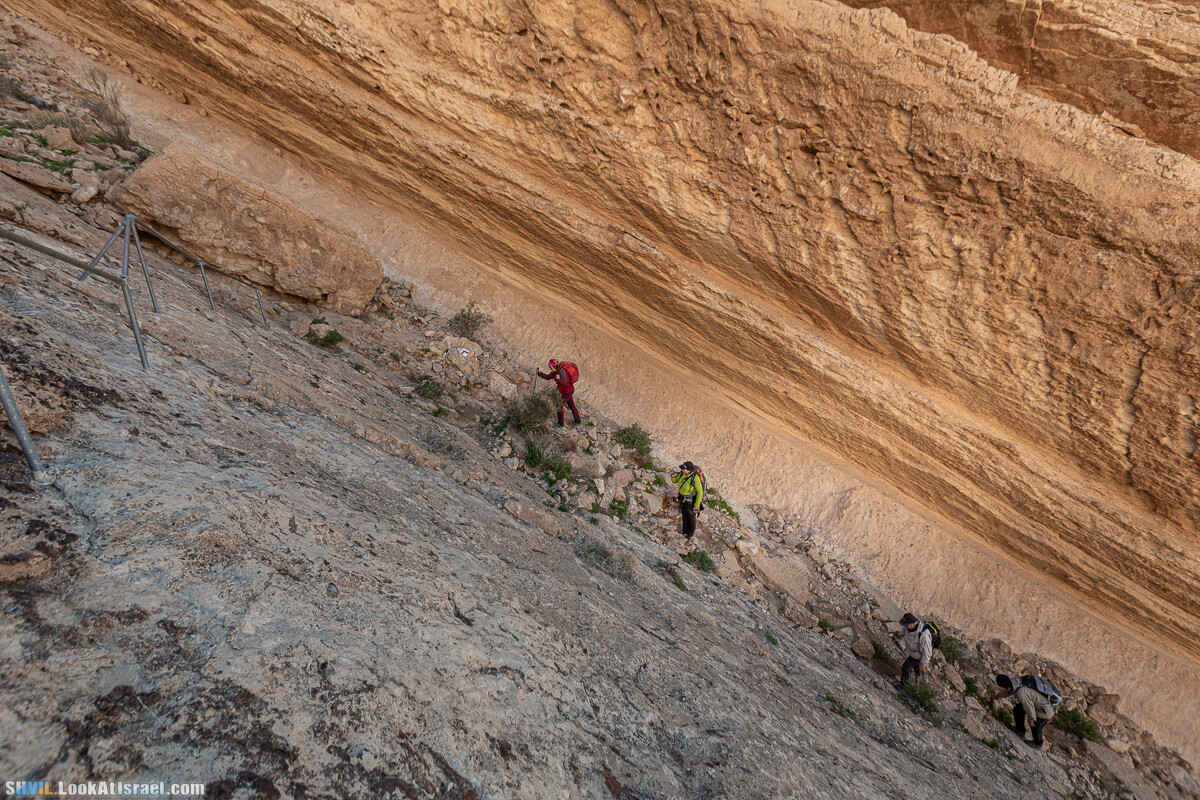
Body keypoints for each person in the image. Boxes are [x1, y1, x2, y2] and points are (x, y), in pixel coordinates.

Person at [995, 673, 1059, 749]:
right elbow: (1008, 692)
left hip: (1045, 710)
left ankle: (1038, 743)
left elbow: (1029, 707)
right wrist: (997, 696)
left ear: (1006, 687)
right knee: (1018, 709)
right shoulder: (1014, 682)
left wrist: (1031, 719)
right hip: (1037, 704)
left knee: (1036, 725)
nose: (1005, 689)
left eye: (1004, 688)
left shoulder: (1021, 693)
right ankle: (1020, 730)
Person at [536, 359, 581, 427]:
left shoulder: (562, 371)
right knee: (571, 405)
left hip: (567, 391)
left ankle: (560, 423)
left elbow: (567, 383)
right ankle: (577, 421)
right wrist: (540, 373)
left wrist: (559, 379)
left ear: (554, 366)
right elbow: (548, 377)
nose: (550, 369)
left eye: (550, 367)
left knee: (559, 405)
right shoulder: (555, 372)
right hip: (565, 391)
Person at [670, 462, 705, 541]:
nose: (681, 470)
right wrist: (673, 477)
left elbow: (700, 492)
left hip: (690, 501)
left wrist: (696, 505)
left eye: (683, 469)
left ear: (689, 470)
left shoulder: (695, 478)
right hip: (682, 499)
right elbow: (675, 480)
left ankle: (690, 534)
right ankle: (684, 531)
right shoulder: (682, 474)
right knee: (684, 516)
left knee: (691, 517)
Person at [895, 612, 933, 684]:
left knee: (905, 668)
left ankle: (905, 686)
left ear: (913, 624)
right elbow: (904, 631)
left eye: (906, 625)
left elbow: (927, 651)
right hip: (914, 652)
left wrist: (923, 663)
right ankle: (920, 686)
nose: (905, 626)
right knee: (918, 670)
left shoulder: (924, 634)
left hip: (918, 655)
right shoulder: (909, 627)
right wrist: (898, 636)